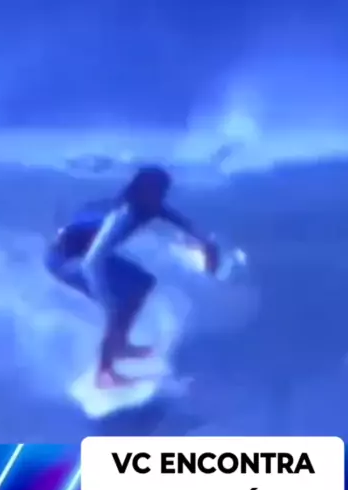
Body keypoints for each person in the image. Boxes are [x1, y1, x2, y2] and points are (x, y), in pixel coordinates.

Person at [45, 165, 220, 389]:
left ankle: (121, 346)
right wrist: (104, 296)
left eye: (163, 192)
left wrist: (206, 243)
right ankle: (104, 374)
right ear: (142, 192)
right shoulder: (124, 215)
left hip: (85, 254)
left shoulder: (149, 206)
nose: (162, 197)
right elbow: (93, 261)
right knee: (118, 306)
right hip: (66, 261)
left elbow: (179, 221)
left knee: (143, 284)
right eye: (158, 191)